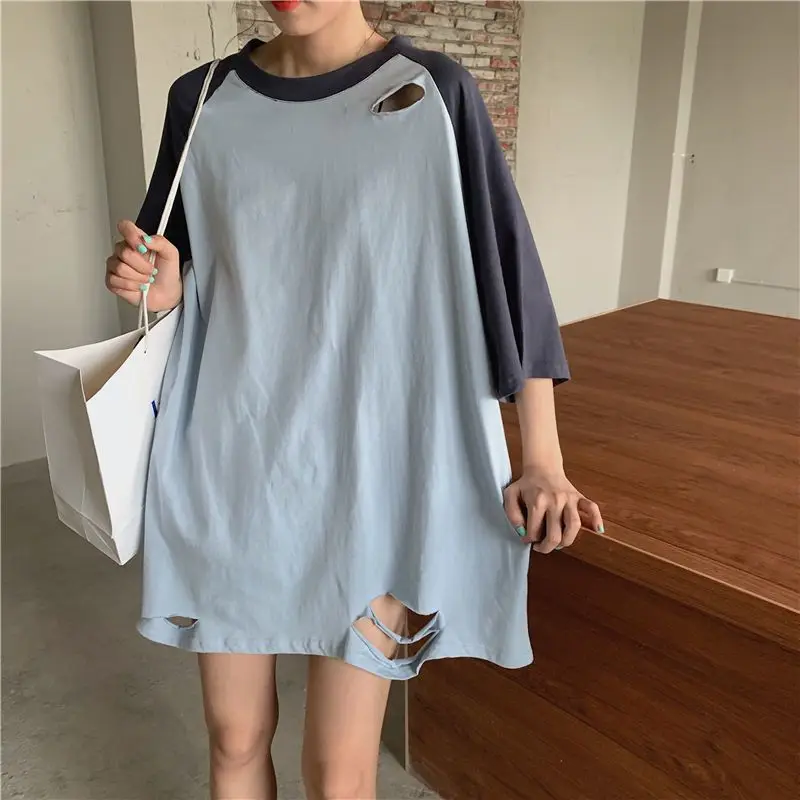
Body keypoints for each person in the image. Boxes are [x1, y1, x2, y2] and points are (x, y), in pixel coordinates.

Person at [105, 1, 603, 798]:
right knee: (234, 738)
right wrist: (155, 286)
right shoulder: (199, 99)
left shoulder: (430, 91)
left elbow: (507, 276)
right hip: (231, 459)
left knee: (339, 770)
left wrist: (542, 458)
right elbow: (176, 267)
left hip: (374, 469)